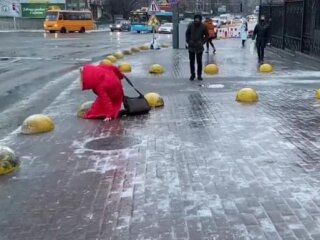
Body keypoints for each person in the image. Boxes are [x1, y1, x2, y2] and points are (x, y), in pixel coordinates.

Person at [186, 14, 208, 81]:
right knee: (191, 62)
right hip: (191, 46)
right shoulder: (190, 25)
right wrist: (188, 41)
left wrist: (202, 42)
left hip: (199, 46)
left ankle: (199, 75)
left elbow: (206, 35)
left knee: (199, 62)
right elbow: (187, 33)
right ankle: (192, 75)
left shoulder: (203, 26)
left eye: (198, 19)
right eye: (196, 19)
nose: (196, 20)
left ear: (200, 20)